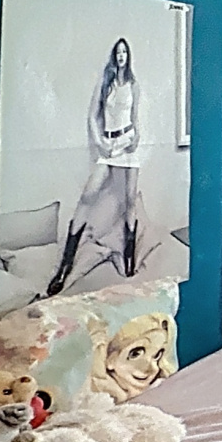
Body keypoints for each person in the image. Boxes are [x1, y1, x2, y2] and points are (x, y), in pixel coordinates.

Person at [48, 38, 146, 297]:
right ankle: (65, 266)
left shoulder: (133, 85)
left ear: (129, 56)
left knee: (130, 199)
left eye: (125, 52)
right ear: (114, 56)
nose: (121, 56)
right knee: (88, 195)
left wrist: (135, 139)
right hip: (108, 144)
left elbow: (135, 118)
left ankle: (129, 258)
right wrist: (100, 142)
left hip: (127, 144)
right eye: (118, 52)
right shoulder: (105, 83)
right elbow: (92, 116)